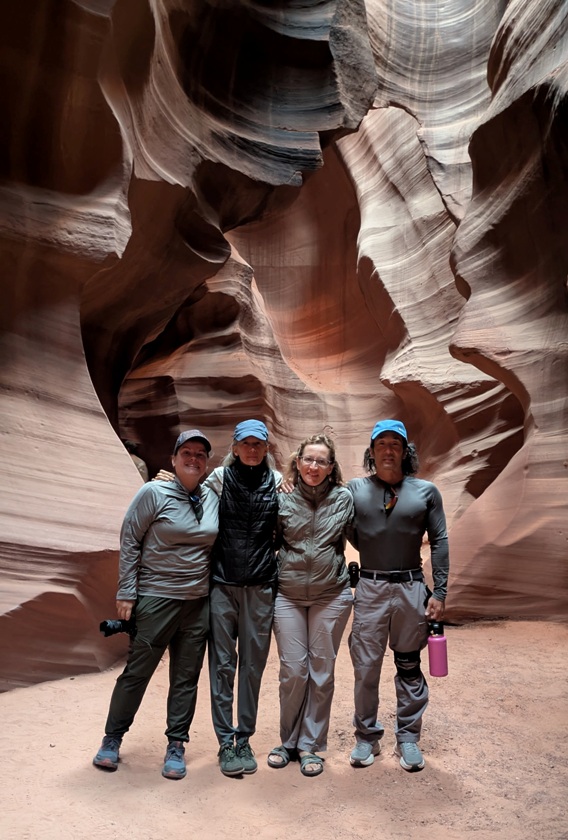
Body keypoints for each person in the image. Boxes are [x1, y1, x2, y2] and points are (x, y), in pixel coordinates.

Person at [92, 429, 219, 780]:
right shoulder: (153, 492)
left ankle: (176, 744)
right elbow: (130, 538)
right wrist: (126, 592)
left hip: (197, 602)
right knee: (138, 672)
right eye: (187, 453)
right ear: (174, 459)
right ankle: (112, 739)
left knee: (186, 678)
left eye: (201, 455)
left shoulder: (211, 497)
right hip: (157, 598)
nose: (194, 459)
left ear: (207, 463)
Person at [347, 419, 449, 772]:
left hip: (411, 589)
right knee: (365, 667)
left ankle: (408, 737)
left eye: (395, 444)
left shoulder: (426, 492)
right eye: (381, 444)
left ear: (406, 452)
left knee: (408, 665)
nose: (388, 450)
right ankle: (366, 737)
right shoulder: (354, 490)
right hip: (371, 588)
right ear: (371, 452)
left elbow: (440, 541)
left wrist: (441, 590)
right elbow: (347, 532)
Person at [267, 434, 354, 777]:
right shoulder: (282, 496)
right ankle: (288, 740)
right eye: (308, 460)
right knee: (293, 670)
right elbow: (269, 539)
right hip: (287, 594)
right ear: (297, 462)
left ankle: (310, 744)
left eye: (321, 461)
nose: (313, 467)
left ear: (331, 468)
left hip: (329, 595)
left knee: (321, 673)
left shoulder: (344, 498)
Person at [206, 419, 281, 777]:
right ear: (234, 447)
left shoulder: (279, 482)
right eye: (245, 443)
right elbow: (192, 498)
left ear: (267, 448)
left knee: (253, 665)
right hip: (223, 582)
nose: (252, 450)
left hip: (261, 586)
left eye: (258, 444)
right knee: (222, 664)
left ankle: (244, 737)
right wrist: (166, 483)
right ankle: (224, 742)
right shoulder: (219, 480)